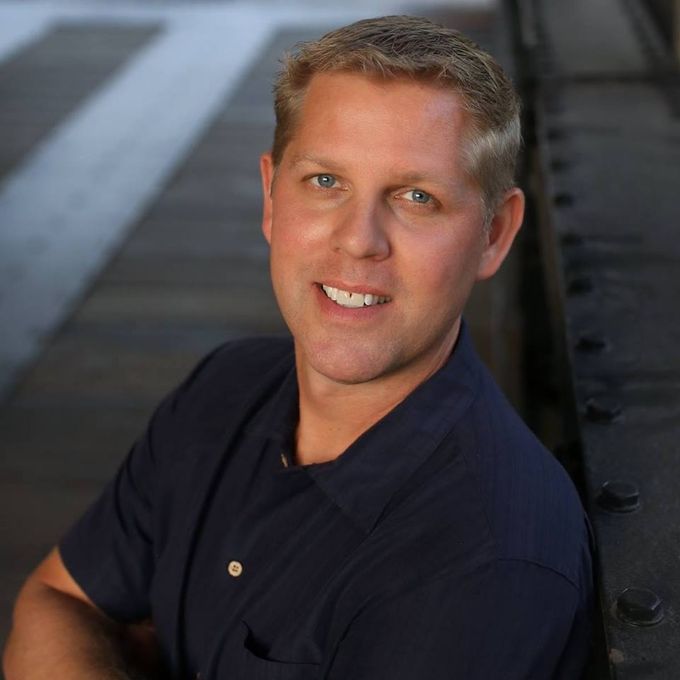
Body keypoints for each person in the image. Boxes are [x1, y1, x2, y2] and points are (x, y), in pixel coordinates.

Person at [3, 15, 593, 680]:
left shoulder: (485, 560)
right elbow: (53, 602)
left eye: (417, 196)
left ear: (494, 233)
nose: (357, 239)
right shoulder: (225, 387)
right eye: (324, 182)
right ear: (270, 197)